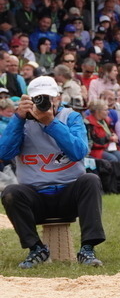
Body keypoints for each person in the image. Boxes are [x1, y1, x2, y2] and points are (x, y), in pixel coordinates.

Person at [0, 76, 105, 267]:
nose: (43, 103)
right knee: (10, 192)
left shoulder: (71, 117)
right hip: (35, 197)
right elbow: (4, 153)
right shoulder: (21, 122)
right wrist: (18, 119)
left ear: (58, 97)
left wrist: (51, 124)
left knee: (90, 180)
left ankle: (88, 248)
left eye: (48, 98)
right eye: (38, 98)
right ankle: (36, 248)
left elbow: (79, 152)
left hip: (69, 193)